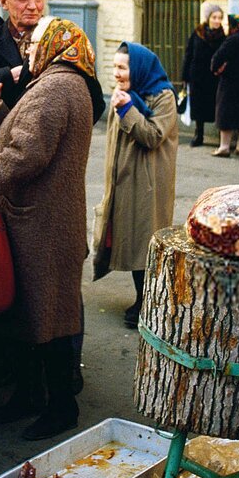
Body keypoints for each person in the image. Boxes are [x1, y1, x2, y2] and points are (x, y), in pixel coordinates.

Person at [0, 17, 104, 441]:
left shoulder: (56, 87)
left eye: (34, 43)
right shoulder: (66, 82)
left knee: (48, 318)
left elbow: (26, 155)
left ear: (54, 44)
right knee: (37, 316)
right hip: (45, 220)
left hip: (43, 225)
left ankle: (60, 408)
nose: (28, 50)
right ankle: (32, 394)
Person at [92, 42, 178, 329]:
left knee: (145, 242)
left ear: (138, 68)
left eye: (122, 67)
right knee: (130, 240)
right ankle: (143, 298)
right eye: (114, 66)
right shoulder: (125, 94)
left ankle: (148, 302)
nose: (116, 73)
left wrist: (128, 108)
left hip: (149, 183)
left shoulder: (162, 97)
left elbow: (153, 136)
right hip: (125, 180)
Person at [209, 15, 239, 157]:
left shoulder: (232, 40)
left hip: (230, 84)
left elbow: (218, 57)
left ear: (233, 26)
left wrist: (215, 69)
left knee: (226, 113)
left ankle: (224, 147)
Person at [181, 2, 225, 147]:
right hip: (198, 76)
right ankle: (198, 135)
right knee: (198, 106)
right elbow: (188, 54)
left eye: (220, 18)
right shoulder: (198, 33)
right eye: (214, 17)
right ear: (208, 18)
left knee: (216, 106)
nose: (217, 21)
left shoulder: (222, 37)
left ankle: (221, 138)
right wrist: (185, 76)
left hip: (214, 77)